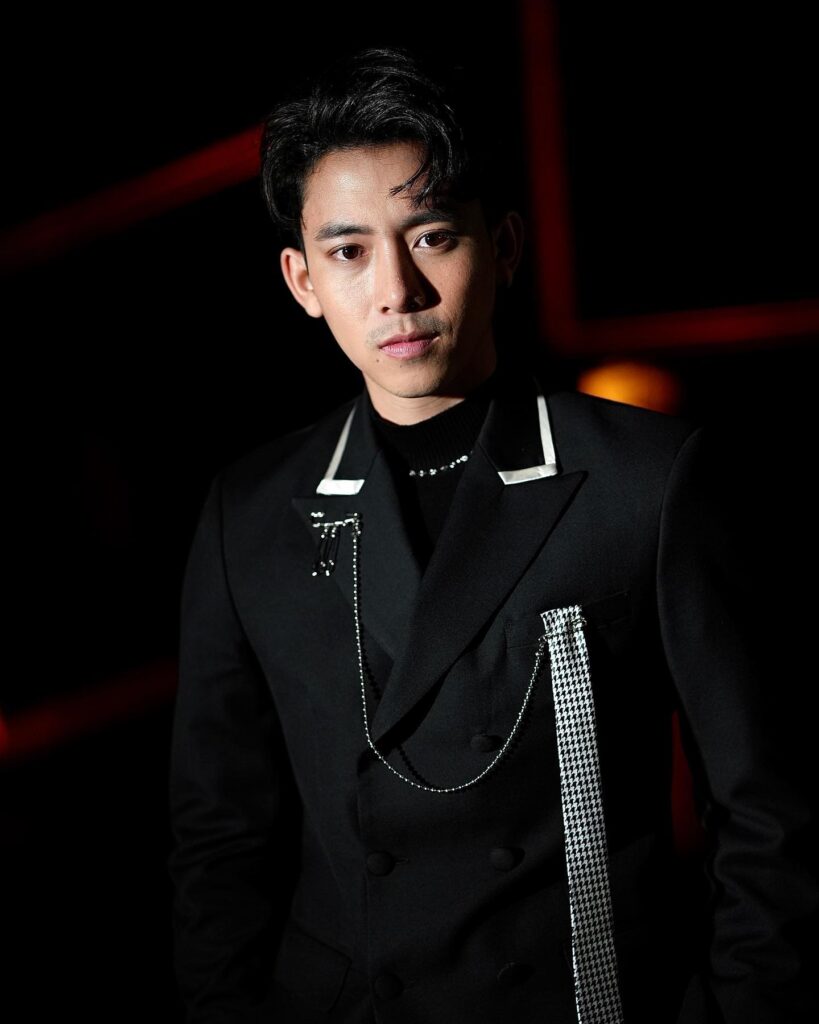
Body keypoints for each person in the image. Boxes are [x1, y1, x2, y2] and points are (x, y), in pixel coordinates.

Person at [167, 45, 816, 1024]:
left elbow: (769, 811)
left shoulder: (647, 482)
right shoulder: (248, 514)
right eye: (349, 252)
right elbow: (219, 840)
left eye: (431, 236)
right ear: (301, 279)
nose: (396, 290)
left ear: (503, 245)